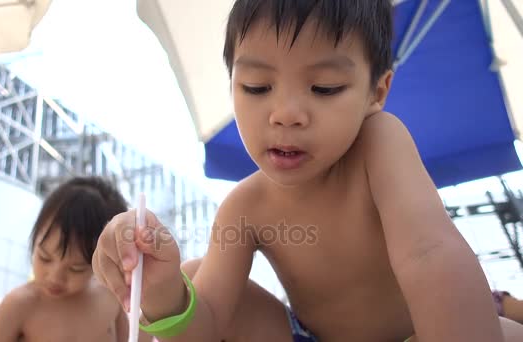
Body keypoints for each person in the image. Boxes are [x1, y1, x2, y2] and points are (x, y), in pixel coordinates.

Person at [92, 0, 523, 341]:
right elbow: (209, 326)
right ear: (232, 88)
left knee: (501, 333)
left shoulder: (380, 143)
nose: (286, 114)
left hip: (418, 333)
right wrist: (159, 292)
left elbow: (429, 253)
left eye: (324, 88)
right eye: (257, 87)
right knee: (191, 277)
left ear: (377, 91)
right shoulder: (244, 206)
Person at [0, 176, 153, 342]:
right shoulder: (21, 305)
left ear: (102, 264)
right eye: (44, 258)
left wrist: (148, 295)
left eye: (76, 268)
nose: (55, 277)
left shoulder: (109, 296)